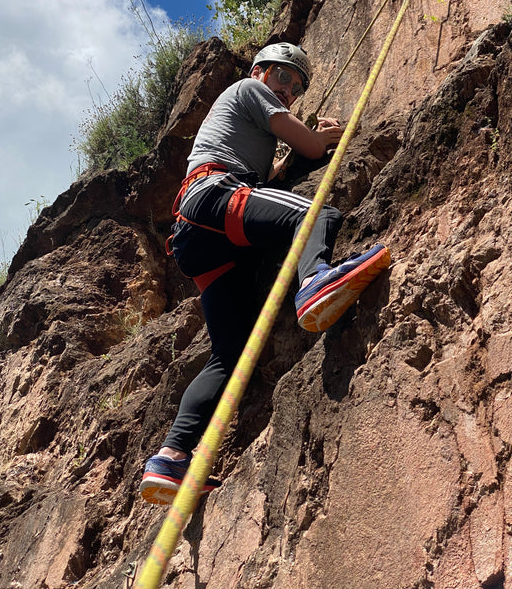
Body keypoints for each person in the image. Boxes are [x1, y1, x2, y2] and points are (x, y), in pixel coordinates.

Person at [140, 42, 390, 504]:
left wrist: (289, 159)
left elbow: (269, 183)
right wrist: (331, 136)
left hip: (201, 241)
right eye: (284, 79)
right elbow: (311, 145)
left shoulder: (243, 131)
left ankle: (171, 458)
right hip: (212, 196)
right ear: (261, 71)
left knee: (229, 355)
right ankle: (314, 279)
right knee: (317, 216)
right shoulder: (246, 90)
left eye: (296, 88)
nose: (290, 91)